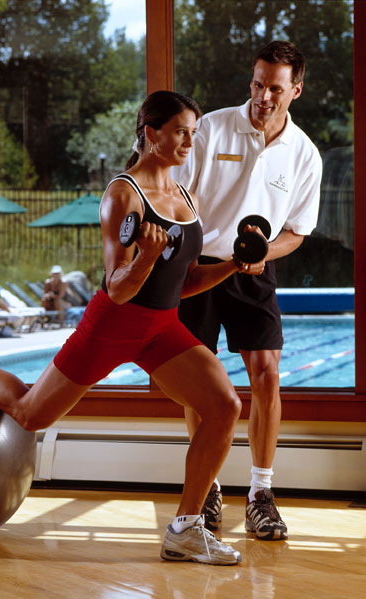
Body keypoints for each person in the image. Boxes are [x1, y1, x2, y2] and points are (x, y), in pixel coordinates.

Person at [0, 91, 260, 565]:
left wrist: (234, 266)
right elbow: (117, 288)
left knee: (224, 406)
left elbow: (185, 283)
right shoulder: (123, 194)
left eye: (193, 133)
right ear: (151, 133)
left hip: (162, 327)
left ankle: (185, 528)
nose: (189, 141)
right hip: (113, 323)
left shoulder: (186, 196)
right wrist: (146, 257)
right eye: (181, 131)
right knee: (30, 413)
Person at [171, 41, 322, 541]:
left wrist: (263, 254)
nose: (263, 96)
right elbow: (177, 198)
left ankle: (261, 493)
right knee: (201, 381)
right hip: (199, 267)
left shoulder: (304, 154)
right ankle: (208, 487)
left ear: (296, 90)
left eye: (275, 88)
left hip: (255, 271)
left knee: (267, 375)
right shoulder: (212, 129)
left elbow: (297, 232)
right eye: (258, 84)